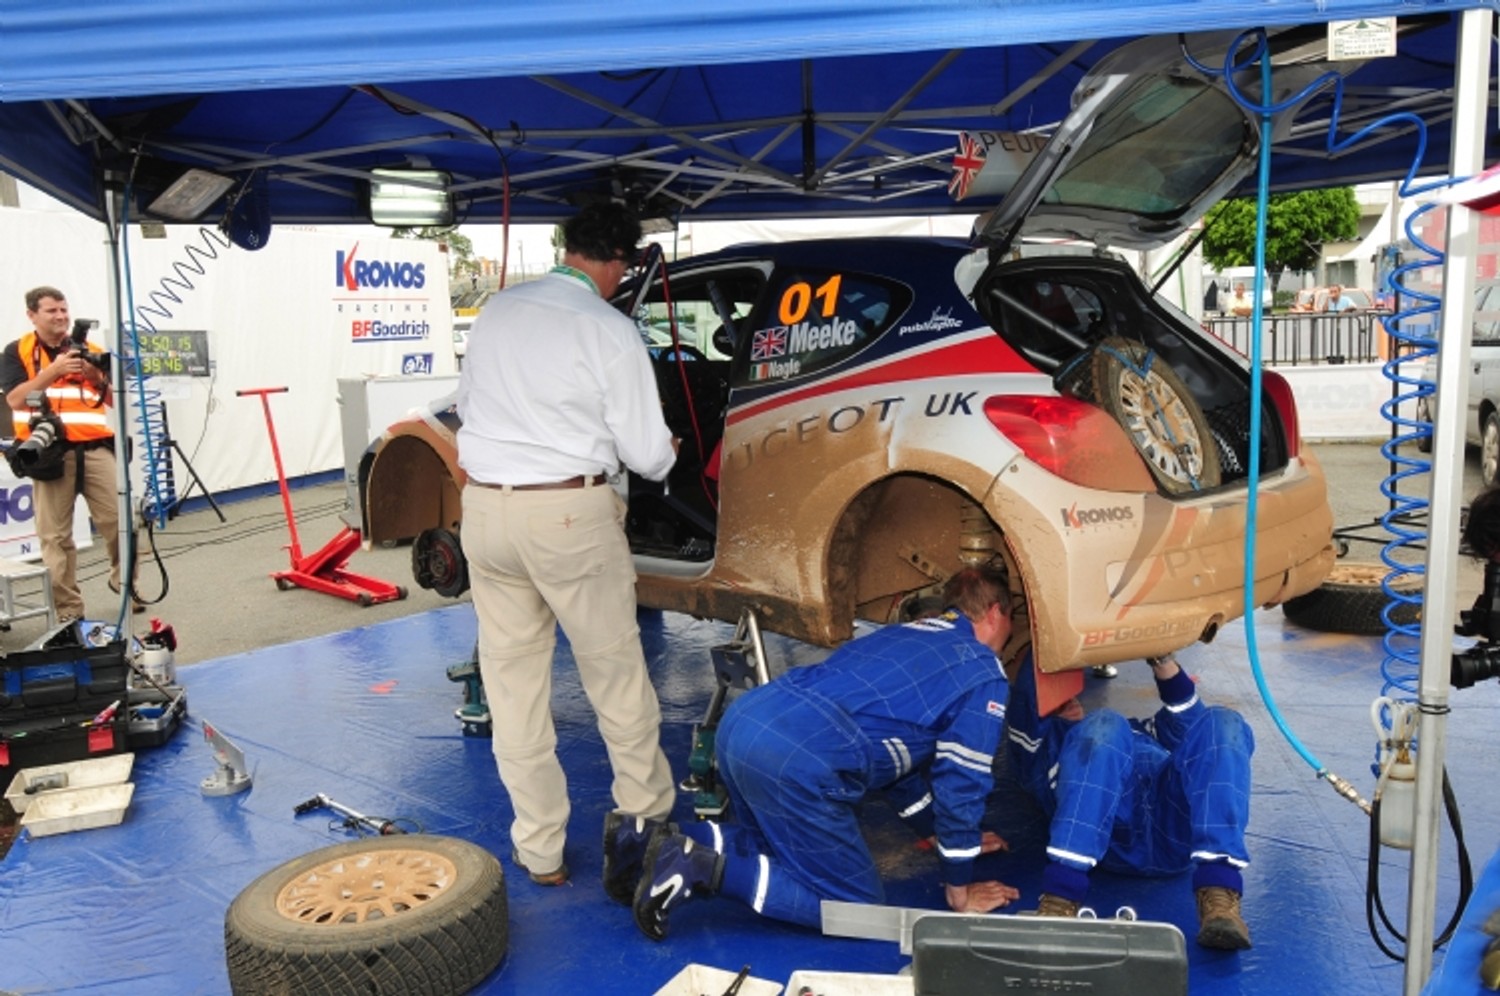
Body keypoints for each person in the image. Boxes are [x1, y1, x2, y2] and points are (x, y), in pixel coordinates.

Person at [613, 565, 1021, 941]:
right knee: (857, 909)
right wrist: (959, 888)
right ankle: (698, 869)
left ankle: (639, 840)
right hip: (794, 756)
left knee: (775, 849)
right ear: (996, 612)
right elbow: (961, 785)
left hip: (747, 719)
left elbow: (901, 763)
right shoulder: (982, 671)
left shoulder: (904, 633)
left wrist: (936, 832)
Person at [456, 202, 679, 887]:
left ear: (567, 248)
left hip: (487, 515)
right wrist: (666, 450)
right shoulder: (608, 328)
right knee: (614, 676)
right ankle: (644, 832)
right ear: (617, 264)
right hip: (567, 515)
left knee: (514, 686)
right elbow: (648, 457)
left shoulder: (497, 311)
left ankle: (541, 850)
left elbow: (471, 407)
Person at [1004, 651, 1255, 950]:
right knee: (1104, 724)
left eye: (1068, 697)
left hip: (1173, 826)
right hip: (1111, 832)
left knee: (1223, 721)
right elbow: (1024, 723)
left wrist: (1161, 657)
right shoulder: (1047, 751)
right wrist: (1048, 652)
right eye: (1058, 701)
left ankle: (1219, 896)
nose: (1069, 702)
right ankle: (1059, 901)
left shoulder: (1139, 729)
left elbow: (1190, 721)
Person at [2, 286, 137, 623]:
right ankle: (69, 610)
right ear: (32, 314)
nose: (61, 316)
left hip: (95, 448)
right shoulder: (17, 350)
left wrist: (96, 377)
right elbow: (16, 400)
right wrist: (55, 371)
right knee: (55, 537)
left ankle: (125, 586)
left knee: (122, 523)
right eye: (52, 311)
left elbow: (115, 402)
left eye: (64, 310)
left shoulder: (89, 350)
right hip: (48, 452)